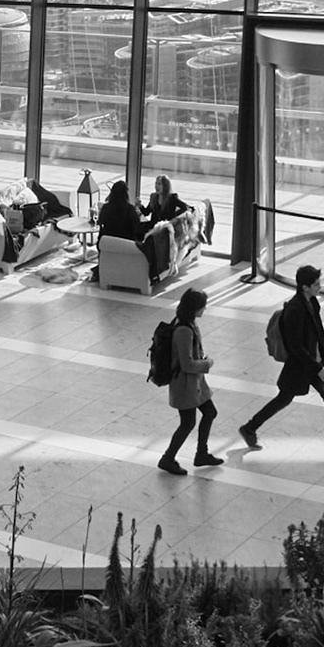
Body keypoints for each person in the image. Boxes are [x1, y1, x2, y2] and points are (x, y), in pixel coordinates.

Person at [240, 265, 324, 457]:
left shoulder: (312, 303)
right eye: (316, 284)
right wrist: (319, 369)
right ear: (304, 287)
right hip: (301, 365)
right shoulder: (295, 310)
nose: (320, 286)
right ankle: (249, 428)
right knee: (284, 398)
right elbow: (296, 347)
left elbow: (318, 335)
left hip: (312, 363)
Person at [158, 289, 221, 475]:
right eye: (203, 306)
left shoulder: (187, 323)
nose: (205, 309)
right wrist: (207, 363)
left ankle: (201, 454)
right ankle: (168, 458)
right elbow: (187, 364)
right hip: (185, 385)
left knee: (210, 413)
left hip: (195, 384)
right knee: (188, 423)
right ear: (195, 308)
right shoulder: (184, 330)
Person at [98, 180, 171, 281]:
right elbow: (137, 229)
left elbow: (101, 222)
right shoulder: (130, 210)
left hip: (108, 243)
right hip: (127, 244)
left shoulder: (106, 208)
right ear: (126, 193)